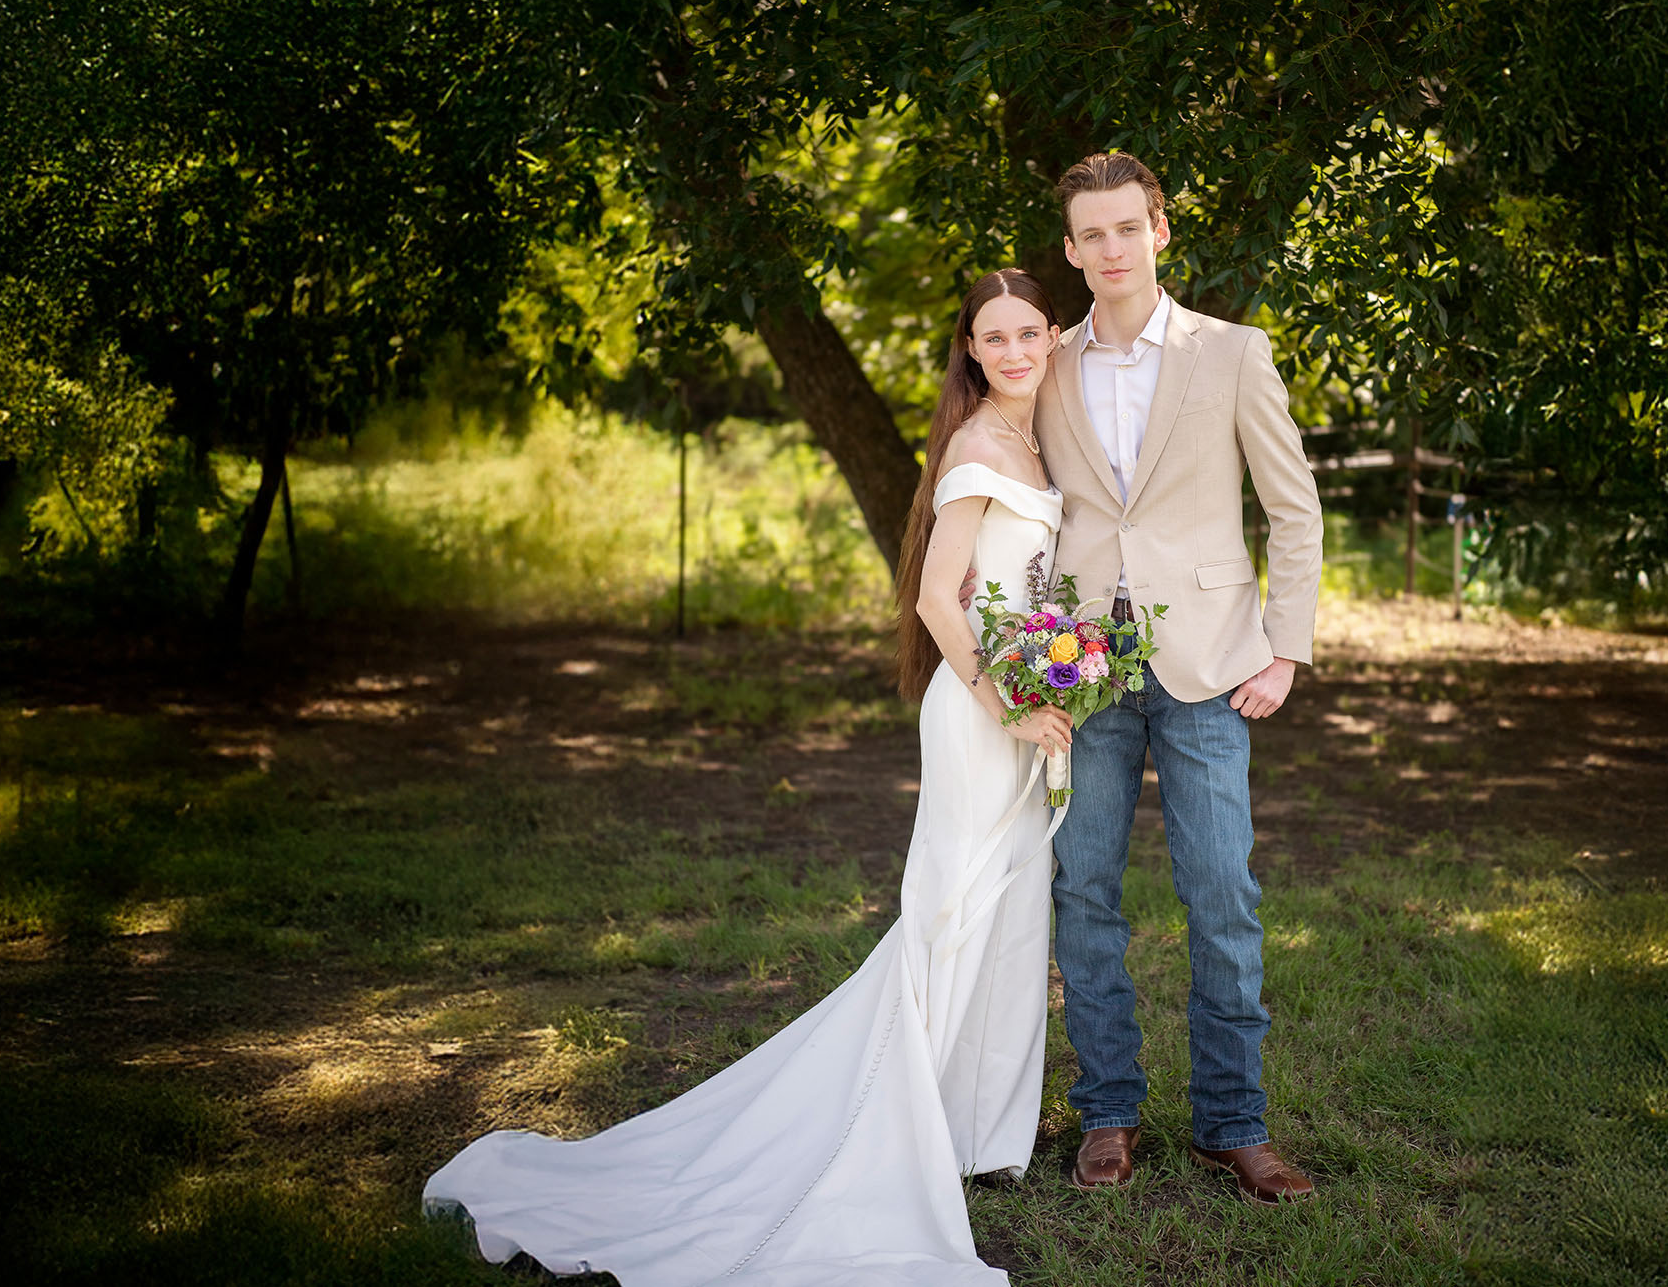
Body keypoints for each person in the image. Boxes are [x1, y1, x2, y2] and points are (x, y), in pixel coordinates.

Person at [422, 269, 1072, 1285]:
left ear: (1052, 333)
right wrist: (1011, 702)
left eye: (1028, 332)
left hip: (1024, 706)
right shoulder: (979, 447)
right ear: (970, 352)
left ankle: (969, 1132)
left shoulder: (1038, 435)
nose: (1014, 351)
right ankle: (900, 1130)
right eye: (993, 339)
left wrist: (1059, 675)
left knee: (1008, 903)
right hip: (980, 708)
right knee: (953, 908)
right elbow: (943, 603)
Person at [1034, 151, 1324, 1205]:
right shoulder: (1043, 363)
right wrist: (1026, 659)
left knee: (1223, 896)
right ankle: (1106, 1110)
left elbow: (1292, 510)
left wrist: (1283, 647)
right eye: (1091, 235)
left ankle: (1232, 1125)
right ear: (1071, 251)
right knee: (1083, 897)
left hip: (1210, 667)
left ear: (1160, 232)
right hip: (1083, 675)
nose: (1111, 249)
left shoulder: (1233, 354)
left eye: (1128, 228)